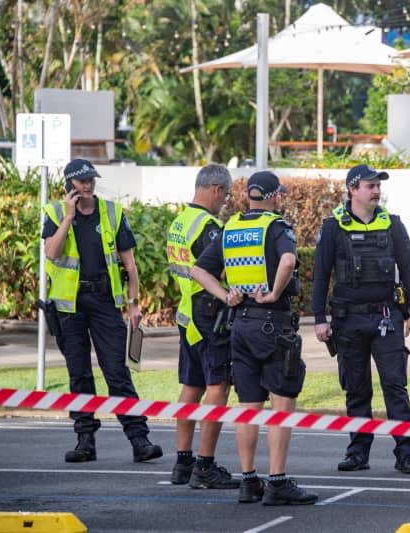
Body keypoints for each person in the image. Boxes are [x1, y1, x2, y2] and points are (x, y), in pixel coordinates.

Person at [190, 170, 318, 506]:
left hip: (240, 326)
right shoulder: (277, 226)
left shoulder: (230, 227)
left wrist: (226, 294)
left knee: (248, 406)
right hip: (272, 324)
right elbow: (289, 259)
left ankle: (249, 480)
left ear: (248, 196)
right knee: (281, 403)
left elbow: (198, 270)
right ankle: (276, 481)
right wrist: (274, 292)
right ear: (275, 196)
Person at [42, 158, 162, 463]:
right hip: (69, 306)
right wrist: (68, 218)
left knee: (117, 371)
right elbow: (52, 255)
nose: (88, 185)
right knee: (78, 374)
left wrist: (133, 305)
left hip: (104, 302)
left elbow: (130, 265)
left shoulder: (111, 212)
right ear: (69, 184)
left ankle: (139, 439)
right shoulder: (55, 213)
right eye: (82, 181)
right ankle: (85, 442)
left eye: (91, 180)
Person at [312, 164, 410, 475]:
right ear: (352, 189)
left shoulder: (393, 225)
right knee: (356, 389)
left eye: (378, 186)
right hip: (348, 322)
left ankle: (406, 454)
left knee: (395, 386)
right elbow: (320, 276)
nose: (376, 191)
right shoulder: (333, 226)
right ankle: (358, 452)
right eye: (370, 185)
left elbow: (409, 271)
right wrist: (319, 318)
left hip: (387, 317)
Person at [166, 164, 240, 489]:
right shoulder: (210, 227)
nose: (225, 201)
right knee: (218, 387)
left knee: (191, 386)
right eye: (225, 194)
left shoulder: (179, 222)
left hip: (186, 312)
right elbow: (214, 270)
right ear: (215, 189)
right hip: (209, 314)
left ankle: (183, 463)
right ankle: (205, 467)